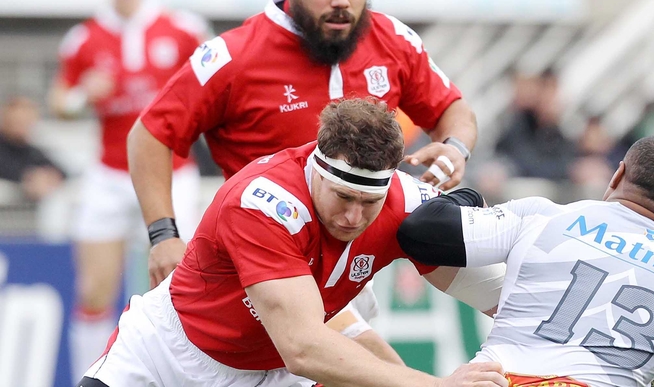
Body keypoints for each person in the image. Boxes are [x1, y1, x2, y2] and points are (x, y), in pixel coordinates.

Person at [78, 99, 507, 387]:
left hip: (274, 370)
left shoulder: (406, 202)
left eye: (369, 202)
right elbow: (303, 347)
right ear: (316, 171)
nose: (353, 217)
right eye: (343, 197)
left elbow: (505, 300)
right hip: (168, 359)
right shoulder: (263, 203)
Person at [127, 0, 477, 288]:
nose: (342, 1)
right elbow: (150, 134)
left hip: (359, 259)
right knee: (344, 344)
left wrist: (455, 148)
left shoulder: (394, 40)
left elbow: (452, 109)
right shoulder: (233, 56)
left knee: (501, 282)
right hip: (270, 257)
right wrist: (163, 234)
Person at [397, 136, 654, 387]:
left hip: (496, 377)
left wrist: (471, 195)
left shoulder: (544, 215)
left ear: (617, 175)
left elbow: (420, 232)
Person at [48, 0, 210, 380]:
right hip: (108, 173)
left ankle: (179, 376)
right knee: (93, 289)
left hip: (172, 174)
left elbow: (214, 88)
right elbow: (59, 101)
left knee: (182, 287)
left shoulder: (182, 29)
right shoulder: (85, 37)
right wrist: (84, 94)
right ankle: (89, 375)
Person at [0, 96, 65, 202]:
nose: (23, 125)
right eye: (18, 121)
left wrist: (50, 175)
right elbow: (6, 167)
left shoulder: (31, 150)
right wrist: (29, 177)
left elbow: (61, 169)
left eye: (27, 120)